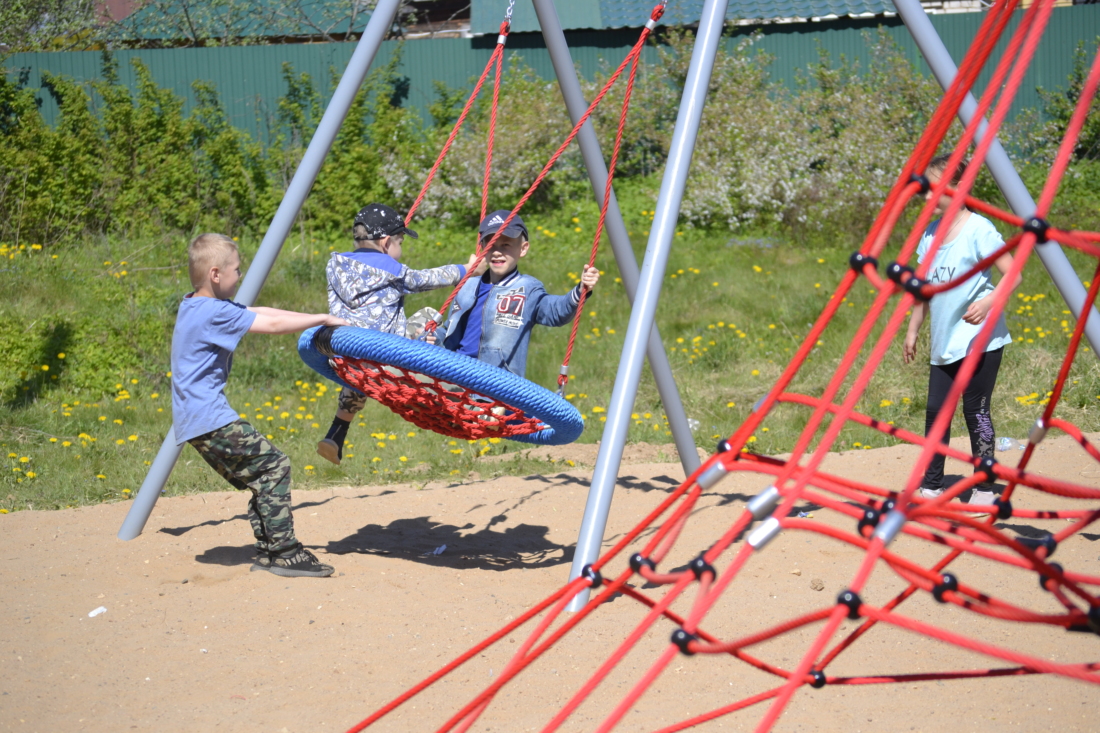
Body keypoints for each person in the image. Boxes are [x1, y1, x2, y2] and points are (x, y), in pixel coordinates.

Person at [172, 233, 348, 577]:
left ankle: (270, 550)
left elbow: (259, 311)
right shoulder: (213, 313)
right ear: (215, 274)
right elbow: (274, 324)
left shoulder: (195, 304)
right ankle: (284, 552)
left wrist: (316, 314)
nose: (240, 275)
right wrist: (321, 320)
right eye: (236, 270)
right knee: (275, 466)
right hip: (209, 417)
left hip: (197, 418)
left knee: (262, 474)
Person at [317, 203, 484, 465]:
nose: (401, 249)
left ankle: (336, 434)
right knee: (427, 316)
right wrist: (467, 269)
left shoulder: (335, 265)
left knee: (357, 379)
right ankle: (454, 388)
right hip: (384, 355)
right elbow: (427, 278)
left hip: (344, 355)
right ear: (385, 243)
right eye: (401, 242)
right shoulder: (391, 270)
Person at [903, 155, 1021, 505]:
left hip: (980, 341)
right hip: (944, 342)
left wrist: (988, 303)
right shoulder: (930, 234)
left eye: (932, 187)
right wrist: (913, 331)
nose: (925, 195)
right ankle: (932, 485)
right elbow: (923, 289)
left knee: (976, 410)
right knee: (936, 412)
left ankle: (984, 487)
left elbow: (1012, 274)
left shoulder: (979, 230)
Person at [434, 210, 600, 378]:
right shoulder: (468, 284)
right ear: (483, 247)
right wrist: (434, 337)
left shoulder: (527, 288)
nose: (497, 251)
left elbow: (555, 311)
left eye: (506, 245)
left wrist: (581, 290)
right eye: (491, 245)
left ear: (523, 248)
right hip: (455, 372)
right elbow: (451, 330)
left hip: (495, 383)